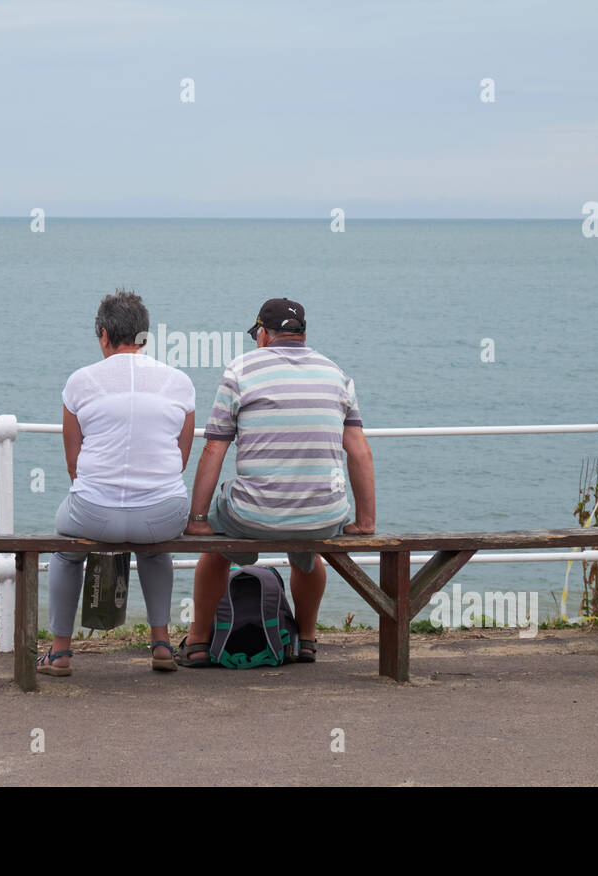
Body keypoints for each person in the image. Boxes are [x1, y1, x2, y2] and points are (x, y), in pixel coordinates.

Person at [179, 297, 375, 665]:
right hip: (325, 514)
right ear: (302, 335)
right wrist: (365, 522)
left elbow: (214, 450)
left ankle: (197, 643)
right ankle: (307, 640)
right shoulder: (337, 374)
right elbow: (360, 451)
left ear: (265, 336)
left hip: (252, 514)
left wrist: (198, 519)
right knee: (307, 554)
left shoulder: (241, 371)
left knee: (216, 553)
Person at [38, 290, 196, 676]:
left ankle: (60, 652)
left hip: (94, 513)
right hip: (162, 514)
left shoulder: (80, 381)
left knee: (66, 553)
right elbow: (180, 459)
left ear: (104, 335)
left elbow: (73, 463)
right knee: (156, 552)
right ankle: (160, 643)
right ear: (145, 337)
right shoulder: (179, 382)